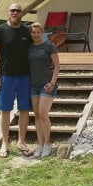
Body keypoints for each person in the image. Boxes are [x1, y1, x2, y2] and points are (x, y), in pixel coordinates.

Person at [0, 3, 32, 157]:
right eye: (12, 10)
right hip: (6, 76)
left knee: (25, 109)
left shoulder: (27, 31)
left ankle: (21, 142)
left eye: (18, 11)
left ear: (22, 14)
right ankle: (5, 144)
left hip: (25, 76)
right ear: (8, 12)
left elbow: (39, 44)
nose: (15, 12)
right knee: (5, 110)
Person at [27, 22, 60, 158]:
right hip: (33, 85)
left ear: (42, 33)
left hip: (47, 85)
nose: (35, 35)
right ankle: (40, 145)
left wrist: (52, 83)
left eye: (38, 32)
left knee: (43, 113)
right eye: (33, 32)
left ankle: (47, 143)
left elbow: (57, 66)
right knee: (36, 115)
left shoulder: (49, 46)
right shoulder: (28, 47)